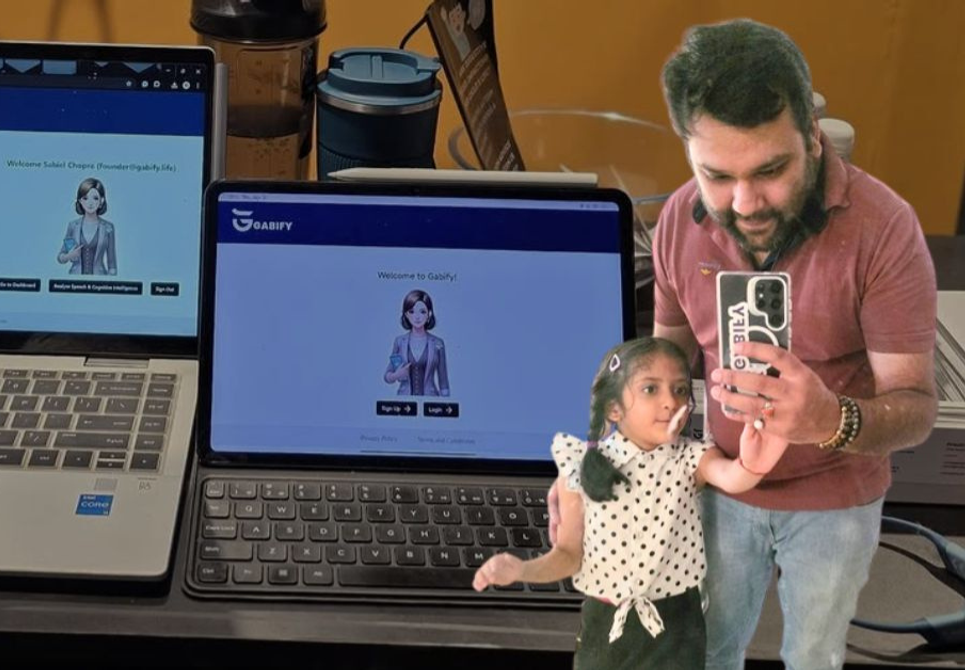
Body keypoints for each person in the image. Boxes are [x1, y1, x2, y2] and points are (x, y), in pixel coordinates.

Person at [550, 19, 937, 670]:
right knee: (709, 647)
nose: (746, 202)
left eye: (771, 170)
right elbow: (665, 369)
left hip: (837, 496)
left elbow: (917, 407)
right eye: (717, 175)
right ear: (689, 153)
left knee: (814, 654)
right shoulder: (679, 222)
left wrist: (832, 420)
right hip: (721, 485)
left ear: (812, 136)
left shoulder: (885, 228)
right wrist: (599, 463)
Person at [474, 337, 789, 669]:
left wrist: (756, 461)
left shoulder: (690, 457)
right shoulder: (582, 469)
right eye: (651, 389)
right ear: (614, 408)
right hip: (607, 625)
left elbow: (733, 477)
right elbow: (568, 555)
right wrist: (521, 570)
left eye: (680, 390)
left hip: (678, 624)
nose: (670, 401)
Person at [383, 289, 450, 396]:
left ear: (429, 314)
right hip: (405, 401)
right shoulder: (399, 342)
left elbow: (443, 378)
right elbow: (387, 376)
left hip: (430, 400)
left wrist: (446, 401)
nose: (417, 317)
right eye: (412, 312)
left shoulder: (438, 343)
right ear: (406, 314)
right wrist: (397, 375)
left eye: (422, 312)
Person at [57, 177, 117, 275]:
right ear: (80, 200)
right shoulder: (73, 226)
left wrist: (111, 281)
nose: (90, 203)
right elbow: (60, 257)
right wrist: (69, 256)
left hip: (100, 280)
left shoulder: (108, 228)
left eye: (95, 198)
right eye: (85, 198)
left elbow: (112, 264)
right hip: (75, 280)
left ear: (101, 201)